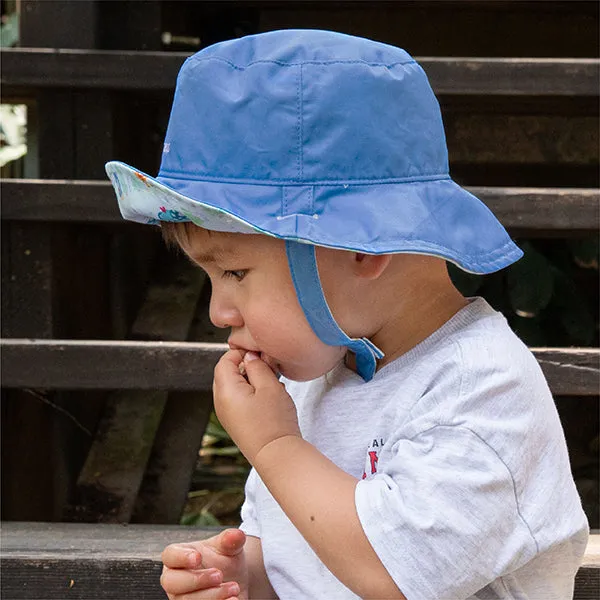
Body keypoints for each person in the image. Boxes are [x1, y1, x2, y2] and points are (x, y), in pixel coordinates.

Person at [105, 29, 588, 600]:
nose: (217, 311)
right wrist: (243, 578)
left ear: (363, 245)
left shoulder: (480, 388)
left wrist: (277, 447)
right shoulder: (319, 376)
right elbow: (298, 559)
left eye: (234, 273)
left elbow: (393, 575)